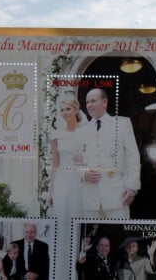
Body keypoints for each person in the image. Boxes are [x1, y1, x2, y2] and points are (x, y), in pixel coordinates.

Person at [80, 88, 140, 218]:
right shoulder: (82, 130)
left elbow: (132, 157)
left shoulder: (122, 124)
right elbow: (76, 160)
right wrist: (82, 173)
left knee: (118, 235)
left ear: (104, 102)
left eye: (93, 101)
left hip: (117, 196)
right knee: (93, 236)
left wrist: (132, 187)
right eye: (87, 102)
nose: (89, 105)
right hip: (90, 199)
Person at [48, 98, 87, 279]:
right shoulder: (56, 134)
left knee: (77, 221)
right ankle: (60, 272)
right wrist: (51, 190)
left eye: (68, 108)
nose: (64, 112)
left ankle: (74, 272)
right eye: (62, 109)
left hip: (80, 181)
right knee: (62, 222)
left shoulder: (86, 131)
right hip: (63, 181)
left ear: (76, 109)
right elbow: (54, 164)